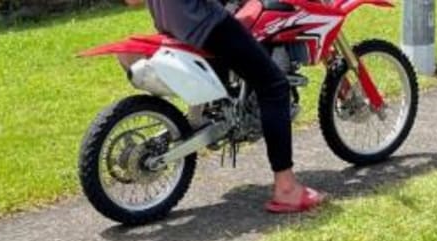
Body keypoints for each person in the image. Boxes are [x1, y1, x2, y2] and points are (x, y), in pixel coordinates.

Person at [127, 0, 326, 213]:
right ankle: (287, 188)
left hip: (171, 23)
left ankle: (226, 116)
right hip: (203, 22)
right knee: (274, 86)